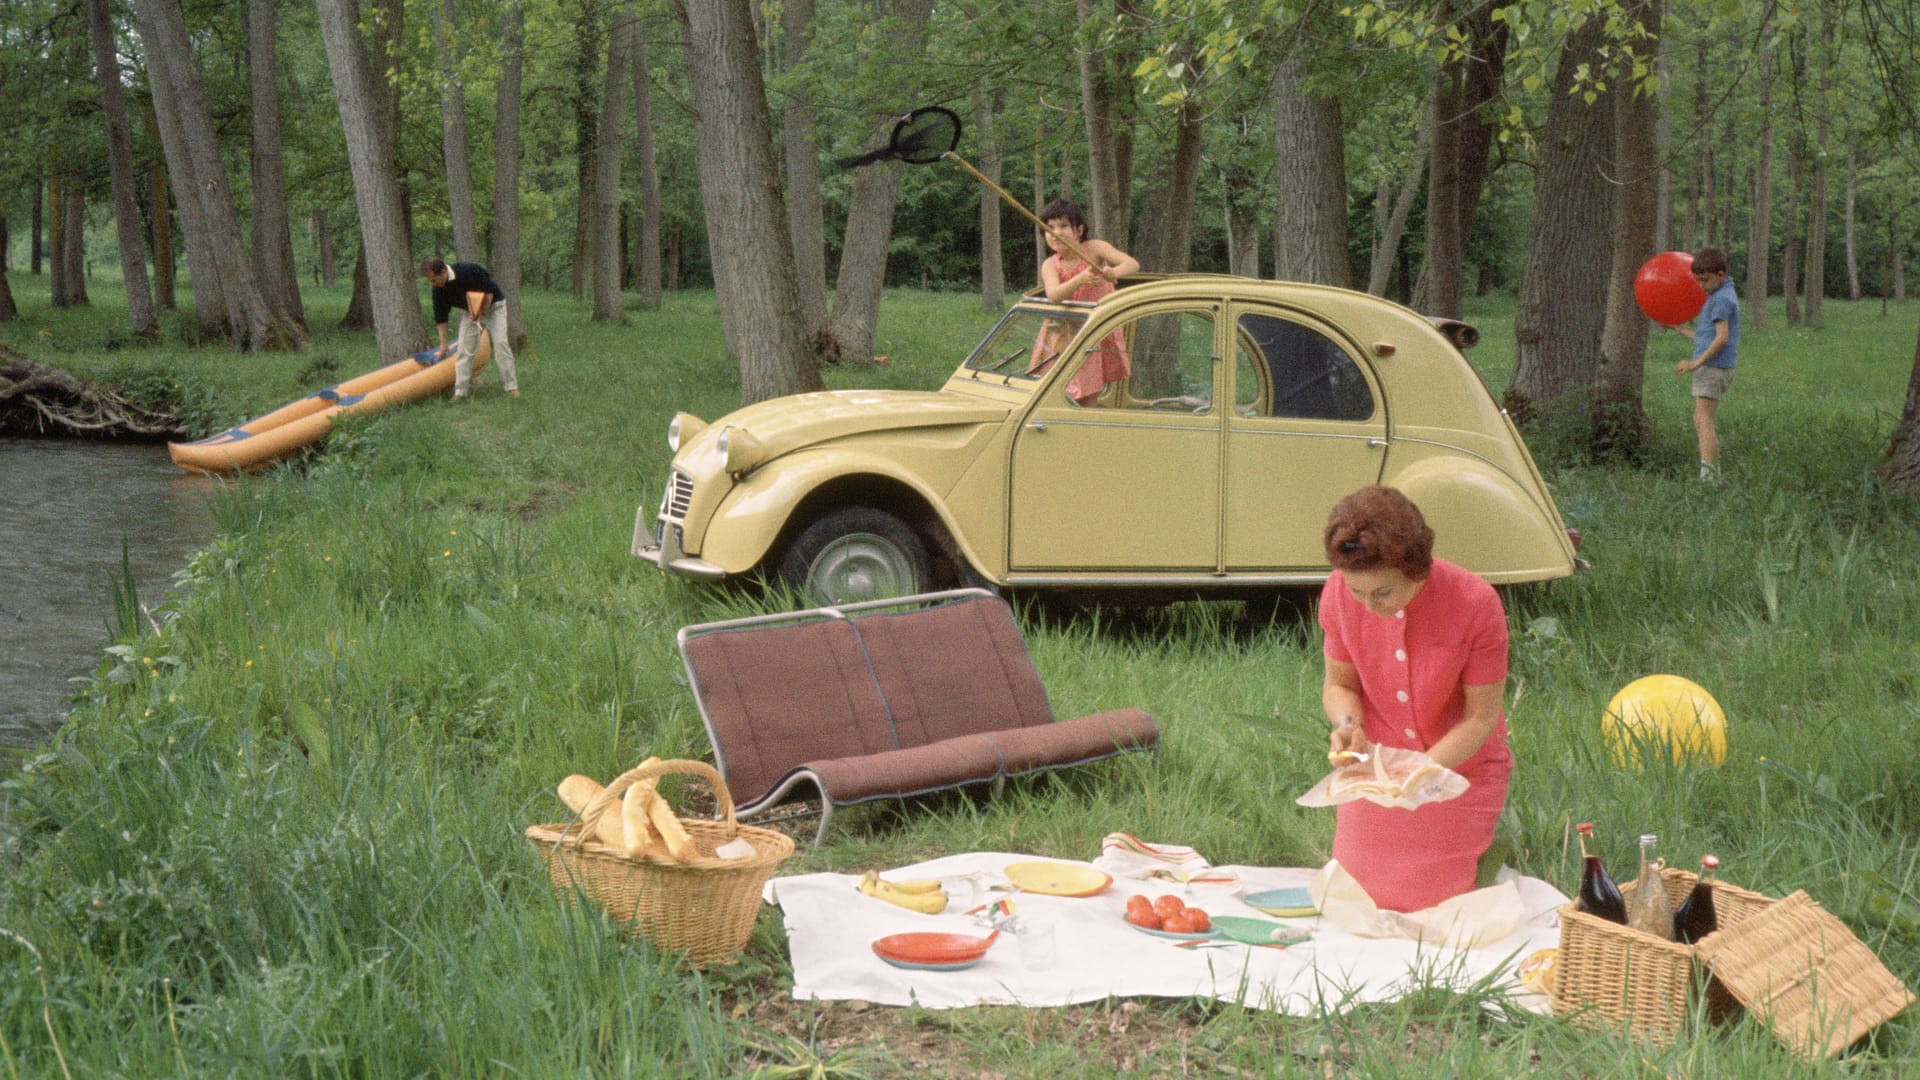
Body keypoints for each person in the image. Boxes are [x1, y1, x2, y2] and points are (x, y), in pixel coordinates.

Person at [1318, 486, 1512, 912]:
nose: (1367, 606)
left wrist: (1423, 771)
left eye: (1382, 593)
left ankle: (1487, 843)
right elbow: (1340, 684)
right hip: (1379, 765)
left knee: (1428, 903)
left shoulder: (1476, 603)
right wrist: (1347, 726)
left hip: (1461, 767)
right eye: (1356, 593)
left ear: (1417, 571)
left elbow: (1480, 719)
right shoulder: (1336, 591)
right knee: (1354, 896)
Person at [1034, 199, 1139, 404]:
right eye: (1050, 228)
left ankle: (1084, 419)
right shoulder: (1050, 264)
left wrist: (1112, 272)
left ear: (1079, 230)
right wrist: (1080, 279)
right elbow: (1054, 295)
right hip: (1061, 332)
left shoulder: (1095, 249)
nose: (1057, 232)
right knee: (1056, 387)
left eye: (1064, 226)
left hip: (1093, 331)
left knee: (1088, 387)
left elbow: (1132, 264)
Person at [1665, 246, 1739, 482]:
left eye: (1705, 280)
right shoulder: (1720, 295)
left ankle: (1708, 475)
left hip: (1714, 368)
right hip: (1715, 366)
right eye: (1698, 281)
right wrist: (1680, 329)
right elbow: (1706, 337)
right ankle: (1711, 472)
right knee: (1702, 418)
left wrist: (1696, 363)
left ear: (1720, 274)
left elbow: (1722, 337)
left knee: (1703, 419)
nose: (1701, 286)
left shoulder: (1721, 300)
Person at [421, 257, 519, 400]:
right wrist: (443, 344)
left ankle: (512, 387)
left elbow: (489, 293)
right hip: (471, 311)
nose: (433, 284)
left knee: (500, 344)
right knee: (464, 350)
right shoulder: (438, 290)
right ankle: (460, 393)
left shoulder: (468, 270)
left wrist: (479, 313)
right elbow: (441, 316)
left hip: (493, 308)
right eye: (430, 281)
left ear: (442, 271)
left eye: (433, 280)